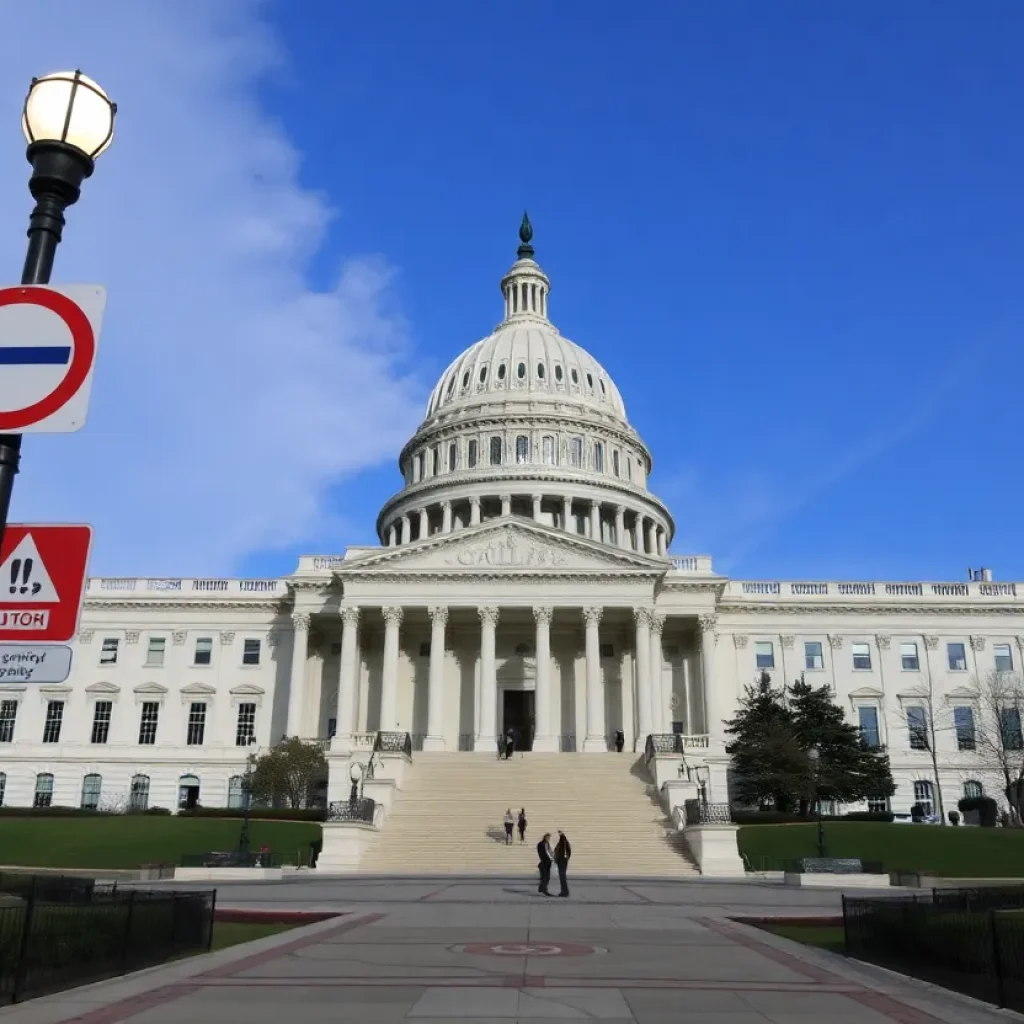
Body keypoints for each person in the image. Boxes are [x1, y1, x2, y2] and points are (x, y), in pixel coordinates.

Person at [553, 830, 571, 897]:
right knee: (562, 877)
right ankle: (564, 891)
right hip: (561, 861)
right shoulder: (562, 842)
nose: (559, 835)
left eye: (560, 834)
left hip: (562, 861)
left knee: (562, 877)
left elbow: (566, 852)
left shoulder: (563, 842)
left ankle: (565, 892)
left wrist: (565, 859)